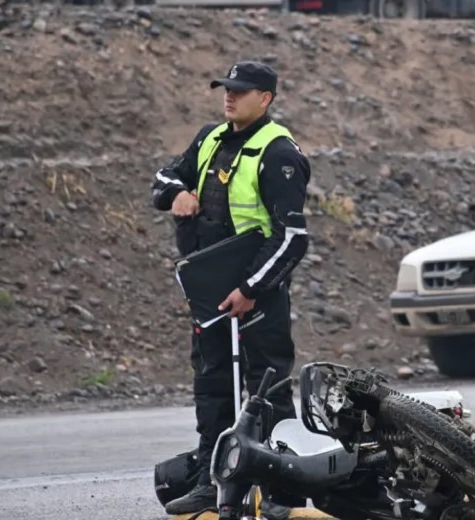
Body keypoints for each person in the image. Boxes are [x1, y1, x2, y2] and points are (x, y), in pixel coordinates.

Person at [150, 60, 311, 518]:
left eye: (240, 91)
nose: (229, 96)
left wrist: (252, 288)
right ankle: (211, 480)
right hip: (210, 292)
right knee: (213, 386)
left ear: (265, 99)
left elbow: (292, 238)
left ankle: (284, 490)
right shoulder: (209, 138)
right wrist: (177, 193)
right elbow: (163, 179)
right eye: (226, 88)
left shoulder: (278, 152)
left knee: (268, 390)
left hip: (257, 295)